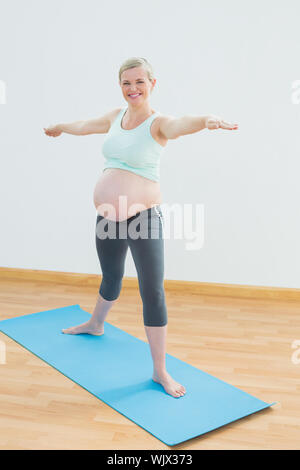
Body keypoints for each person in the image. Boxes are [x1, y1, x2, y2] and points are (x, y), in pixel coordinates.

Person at [44, 57, 238, 398]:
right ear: (120, 86)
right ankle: (96, 323)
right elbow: (87, 125)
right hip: (107, 215)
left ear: (152, 84)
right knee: (111, 276)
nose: (132, 89)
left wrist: (207, 120)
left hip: (143, 217)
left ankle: (160, 370)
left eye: (139, 82)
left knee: (153, 289)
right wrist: (60, 125)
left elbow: (181, 124)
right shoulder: (115, 117)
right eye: (126, 83)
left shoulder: (158, 122)